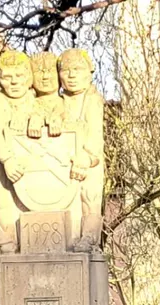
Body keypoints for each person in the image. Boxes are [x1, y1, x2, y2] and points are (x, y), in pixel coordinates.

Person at [58, 48, 105, 249]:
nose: (71, 75)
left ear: (89, 72)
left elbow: (95, 133)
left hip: (88, 163)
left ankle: (89, 237)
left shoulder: (92, 98)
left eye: (77, 69)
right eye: (66, 70)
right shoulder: (57, 101)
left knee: (89, 200)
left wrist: (87, 157)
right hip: (63, 163)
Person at [0, 50, 35, 251]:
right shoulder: (0, 101)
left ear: (28, 77)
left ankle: (33, 238)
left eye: (19, 76)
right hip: (9, 163)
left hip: (32, 164)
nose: (14, 82)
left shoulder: (35, 99)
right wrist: (7, 159)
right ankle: (7, 240)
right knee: (6, 201)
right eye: (7, 77)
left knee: (31, 202)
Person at [27, 52, 63, 139]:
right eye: (38, 72)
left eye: (50, 71)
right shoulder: (27, 105)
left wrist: (59, 117)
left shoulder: (66, 104)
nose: (45, 77)